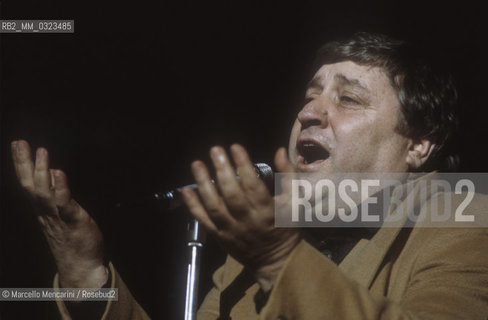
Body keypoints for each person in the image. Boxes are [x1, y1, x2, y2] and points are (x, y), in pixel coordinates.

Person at [10, 32, 488, 319]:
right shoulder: (264, 240)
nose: (309, 111)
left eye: (349, 98)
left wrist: (280, 260)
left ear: (419, 144)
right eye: (310, 94)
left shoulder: (467, 216)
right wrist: (87, 279)